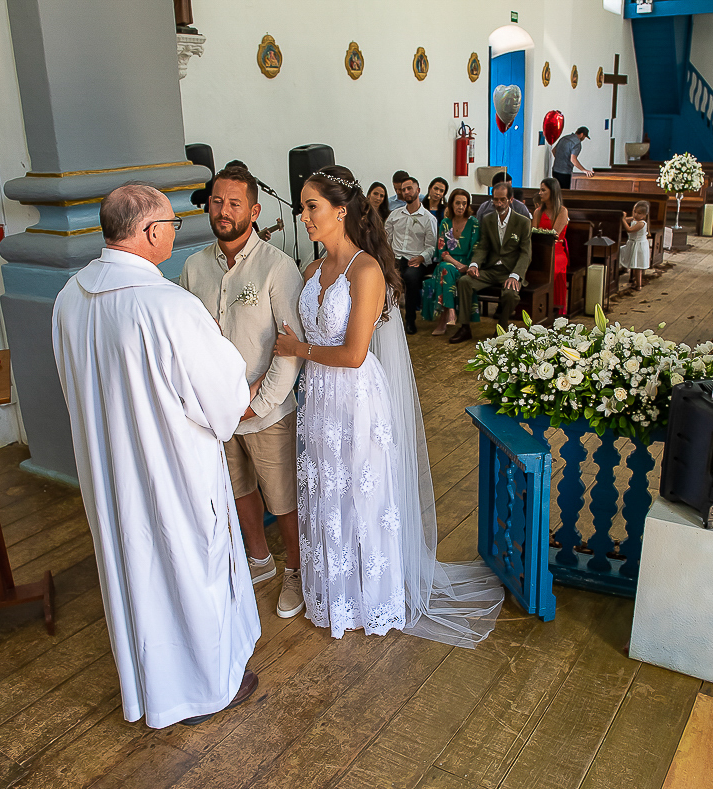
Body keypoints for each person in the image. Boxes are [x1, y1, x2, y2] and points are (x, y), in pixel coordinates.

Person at [52, 183, 259, 728]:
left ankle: (154, 687)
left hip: (110, 470)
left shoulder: (70, 297)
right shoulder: (169, 306)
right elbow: (224, 397)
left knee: (137, 573)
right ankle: (205, 689)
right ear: (149, 232)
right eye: (171, 223)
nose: (176, 231)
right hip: (174, 471)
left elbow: (74, 387)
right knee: (190, 571)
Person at [274, 165, 503, 644]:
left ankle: (372, 598)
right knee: (326, 493)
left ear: (341, 211)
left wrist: (299, 351)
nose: (304, 216)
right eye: (302, 206)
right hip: (318, 399)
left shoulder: (366, 270)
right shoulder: (310, 270)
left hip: (355, 397)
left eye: (312, 206)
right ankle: (333, 594)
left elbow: (355, 354)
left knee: (360, 493)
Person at [179, 165, 307, 620]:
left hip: (266, 409)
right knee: (237, 488)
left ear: (254, 211)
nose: (223, 211)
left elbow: (289, 348)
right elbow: (188, 339)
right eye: (216, 201)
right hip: (216, 412)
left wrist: (257, 400)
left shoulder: (277, 266)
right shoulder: (194, 267)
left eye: (234, 203)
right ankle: (260, 559)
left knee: (283, 497)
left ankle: (296, 571)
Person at [448, 182, 533, 343]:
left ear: (510, 200)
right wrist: (474, 265)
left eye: (502, 200)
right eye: (495, 200)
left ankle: (501, 327)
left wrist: (515, 275)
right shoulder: (488, 219)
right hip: (491, 269)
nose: (498, 204)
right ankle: (465, 327)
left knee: (510, 293)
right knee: (465, 281)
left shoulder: (522, 222)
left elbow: (526, 253)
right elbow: (483, 247)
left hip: (510, 271)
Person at [383, 175, 438, 335]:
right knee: (384, 274)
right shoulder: (395, 215)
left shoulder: (429, 219)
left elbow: (431, 246)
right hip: (395, 258)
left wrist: (421, 257)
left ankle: (410, 320)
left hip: (416, 259)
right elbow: (386, 238)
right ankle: (386, 318)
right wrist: (387, 257)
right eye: (403, 189)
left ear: (418, 191)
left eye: (409, 188)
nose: (406, 192)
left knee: (412, 278)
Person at [424, 188, 480, 335]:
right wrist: (457, 264)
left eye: (464, 203)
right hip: (450, 263)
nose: (460, 207)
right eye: (457, 203)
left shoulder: (473, 223)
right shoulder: (445, 223)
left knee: (445, 271)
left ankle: (444, 318)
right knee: (446, 268)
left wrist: (466, 265)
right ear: (451, 204)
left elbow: (476, 249)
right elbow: (442, 251)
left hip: (467, 264)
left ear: (468, 205)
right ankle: (450, 311)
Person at [535, 177, 570, 314]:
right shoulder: (538, 212)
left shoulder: (562, 211)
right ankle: (534, 305)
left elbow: (554, 234)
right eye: (540, 190)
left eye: (543, 190)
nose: (540, 193)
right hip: (539, 249)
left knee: (553, 267)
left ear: (553, 192)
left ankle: (554, 306)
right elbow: (534, 232)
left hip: (556, 249)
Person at [620, 200, 651, 290]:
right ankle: (625, 269)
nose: (635, 214)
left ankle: (639, 285)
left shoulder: (641, 223)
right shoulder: (634, 219)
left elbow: (629, 230)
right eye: (634, 211)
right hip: (633, 243)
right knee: (623, 252)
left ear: (645, 215)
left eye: (639, 213)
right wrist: (622, 216)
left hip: (639, 246)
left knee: (638, 267)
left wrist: (622, 220)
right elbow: (627, 219)